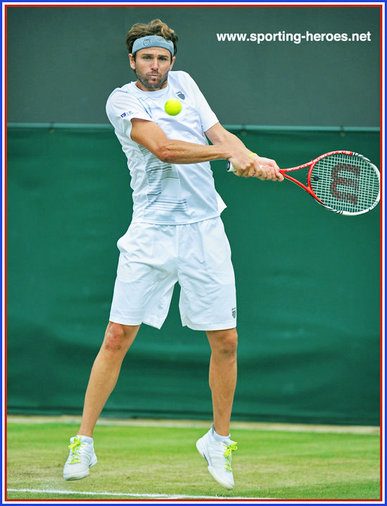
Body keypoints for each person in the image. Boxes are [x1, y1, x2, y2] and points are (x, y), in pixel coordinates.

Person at [63, 19, 283, 490]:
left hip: (205, 231)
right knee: (117, 335)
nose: (155, 66)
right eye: (147, 57)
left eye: (162, 58)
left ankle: (217, 441)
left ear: (172, 61)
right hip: (151, 233)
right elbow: (162, 149)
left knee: (226, 342)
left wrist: (252, 157)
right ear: (132, 61)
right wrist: (227, 156)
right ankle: (83, 440)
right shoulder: (121, 100)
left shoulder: (186, 85)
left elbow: (219, 132)